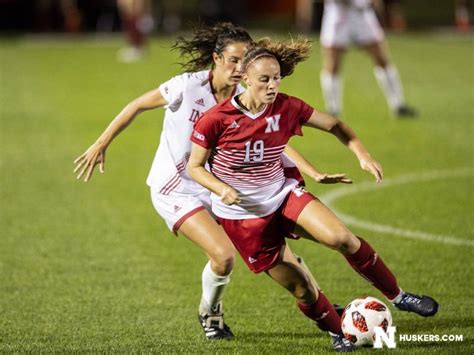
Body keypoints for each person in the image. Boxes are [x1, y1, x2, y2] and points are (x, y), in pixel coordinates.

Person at [73, 22, 337, 341]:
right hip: (177, 189)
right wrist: (102, 142)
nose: (240, 68)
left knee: (288, 241)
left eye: (246, 61)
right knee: (223, 257)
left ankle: (318, 302)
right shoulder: (187, 86)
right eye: (233, 60)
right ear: (215, 58)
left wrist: (310, 170)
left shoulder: (246, 97)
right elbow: (137, 105)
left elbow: (274, 140)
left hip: (218, 189)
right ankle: (210, 314)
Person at [187, 37, 438, 351]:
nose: (272, 85)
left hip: (283, 195)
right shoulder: (215, 120)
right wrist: (221, 188)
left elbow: (335, 125)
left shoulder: (287, 107)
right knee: (303, 289)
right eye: (264, 79)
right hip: (243, 218)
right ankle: (338, 333)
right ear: (246, 79)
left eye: (276, 78)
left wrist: (361, 154)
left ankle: (399, 296)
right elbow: (195, 166)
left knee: (343, 239)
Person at [319, 0, 417, 118]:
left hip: (362, 14)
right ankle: (333, 109)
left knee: (382, 59)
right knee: (333, 64)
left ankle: (398, 105)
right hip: (339, 15)